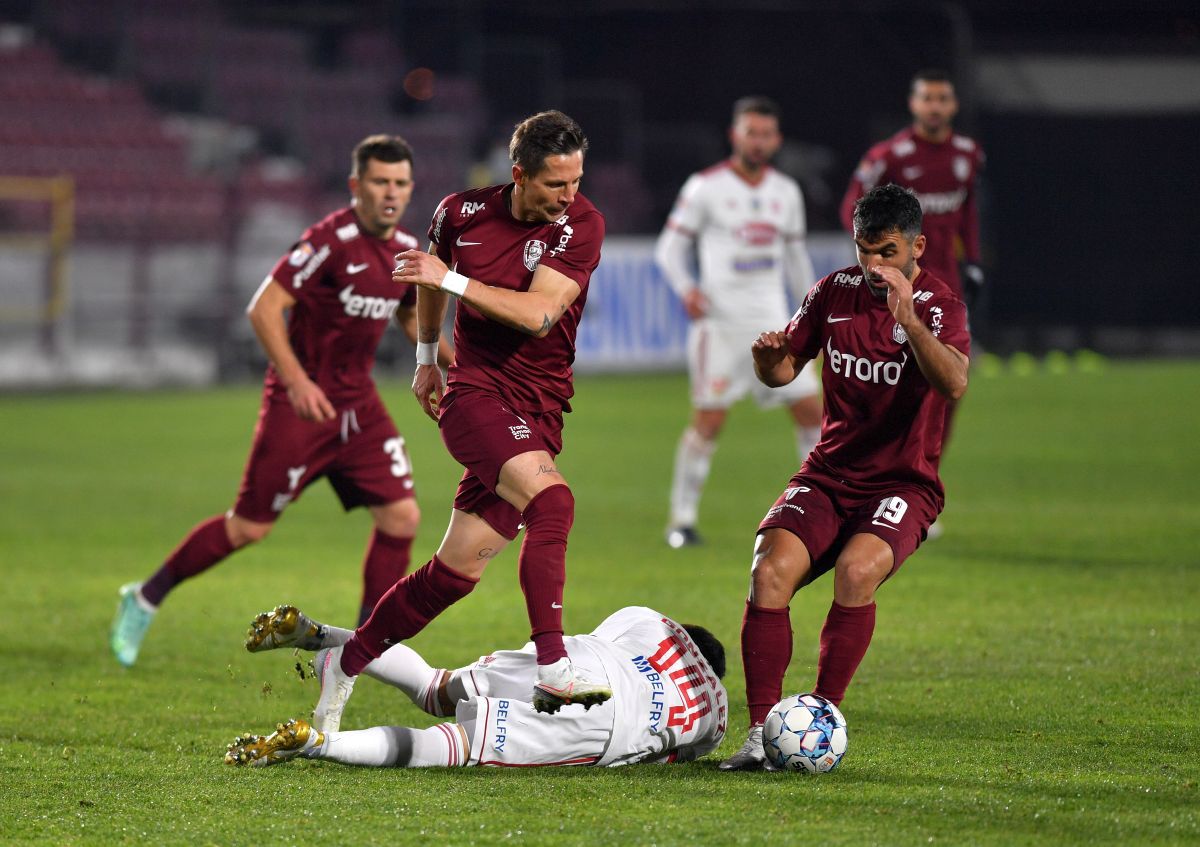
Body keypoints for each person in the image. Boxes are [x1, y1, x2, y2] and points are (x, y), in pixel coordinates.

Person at [305, 110, 608, 726]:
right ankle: (554, 667)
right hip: (473, 397)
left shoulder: (581, 224)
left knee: (455, 572)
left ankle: (348, 660)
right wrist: (425, 357)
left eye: (576, 181)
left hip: (541, 407)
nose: (569, 196)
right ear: (519, 175)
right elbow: (428, 280)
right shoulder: (460, 213)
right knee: (553, 504)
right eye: (556, 184)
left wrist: (454, 279)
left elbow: (539, 315)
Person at [109, 135, 452, 667]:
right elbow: (264, 308)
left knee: (401, 517)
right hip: (302, 405)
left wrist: (451, 362)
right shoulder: (328, 241)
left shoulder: (405, 249)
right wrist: (295, 381)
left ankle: (366, 648)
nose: (392, 193)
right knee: (248, 528)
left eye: (401, 183)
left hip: (358, 407)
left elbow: (411, 314)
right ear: (356, 186)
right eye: (381, 182)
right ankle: (145, 596)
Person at [719, 184, 969, 770]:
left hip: (904, 484)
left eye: (886, 251)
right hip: (830, 475)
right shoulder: (832, 292)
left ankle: (820, 723)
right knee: (768, 571)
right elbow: (783, 372)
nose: (874, 266)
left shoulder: (939, 306)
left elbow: (954, 382)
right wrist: (766, 359)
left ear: (917, 247)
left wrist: (907, 316)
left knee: (857, 571)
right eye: (864, 251)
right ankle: (760, 733)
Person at [224, 603, 727, 769]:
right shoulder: (716, 711)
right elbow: (681, 751)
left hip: (572, 659)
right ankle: (318, 744)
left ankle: (319, 635)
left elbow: (609, 631)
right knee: (456, 746)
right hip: (605, 714)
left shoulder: (652, 622)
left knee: (436, 687)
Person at [655, 96, 821, 549]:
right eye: (751, 132)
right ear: (735, 135)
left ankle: (821, 511)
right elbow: (669, 250)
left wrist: (814, 312)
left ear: (777, 139)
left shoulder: (785, 191)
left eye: (766, 133)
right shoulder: (704, 187)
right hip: (720, 324)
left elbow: (795, 258)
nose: (759, 141)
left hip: (775, 323)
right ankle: (682, 520)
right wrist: (688, 288)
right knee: (709, 420)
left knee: (812, 413)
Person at [839, 69, 986, 308]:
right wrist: (873, 255)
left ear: (954, 105)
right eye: (927, 99)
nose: (935, 107)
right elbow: (851, 208)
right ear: (913, 104)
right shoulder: (888, 156)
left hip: (948, 278)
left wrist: (973, 260)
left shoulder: (969, 153)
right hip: (898, 277)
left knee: (950, 344)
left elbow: (968, 211)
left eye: (942, 99)